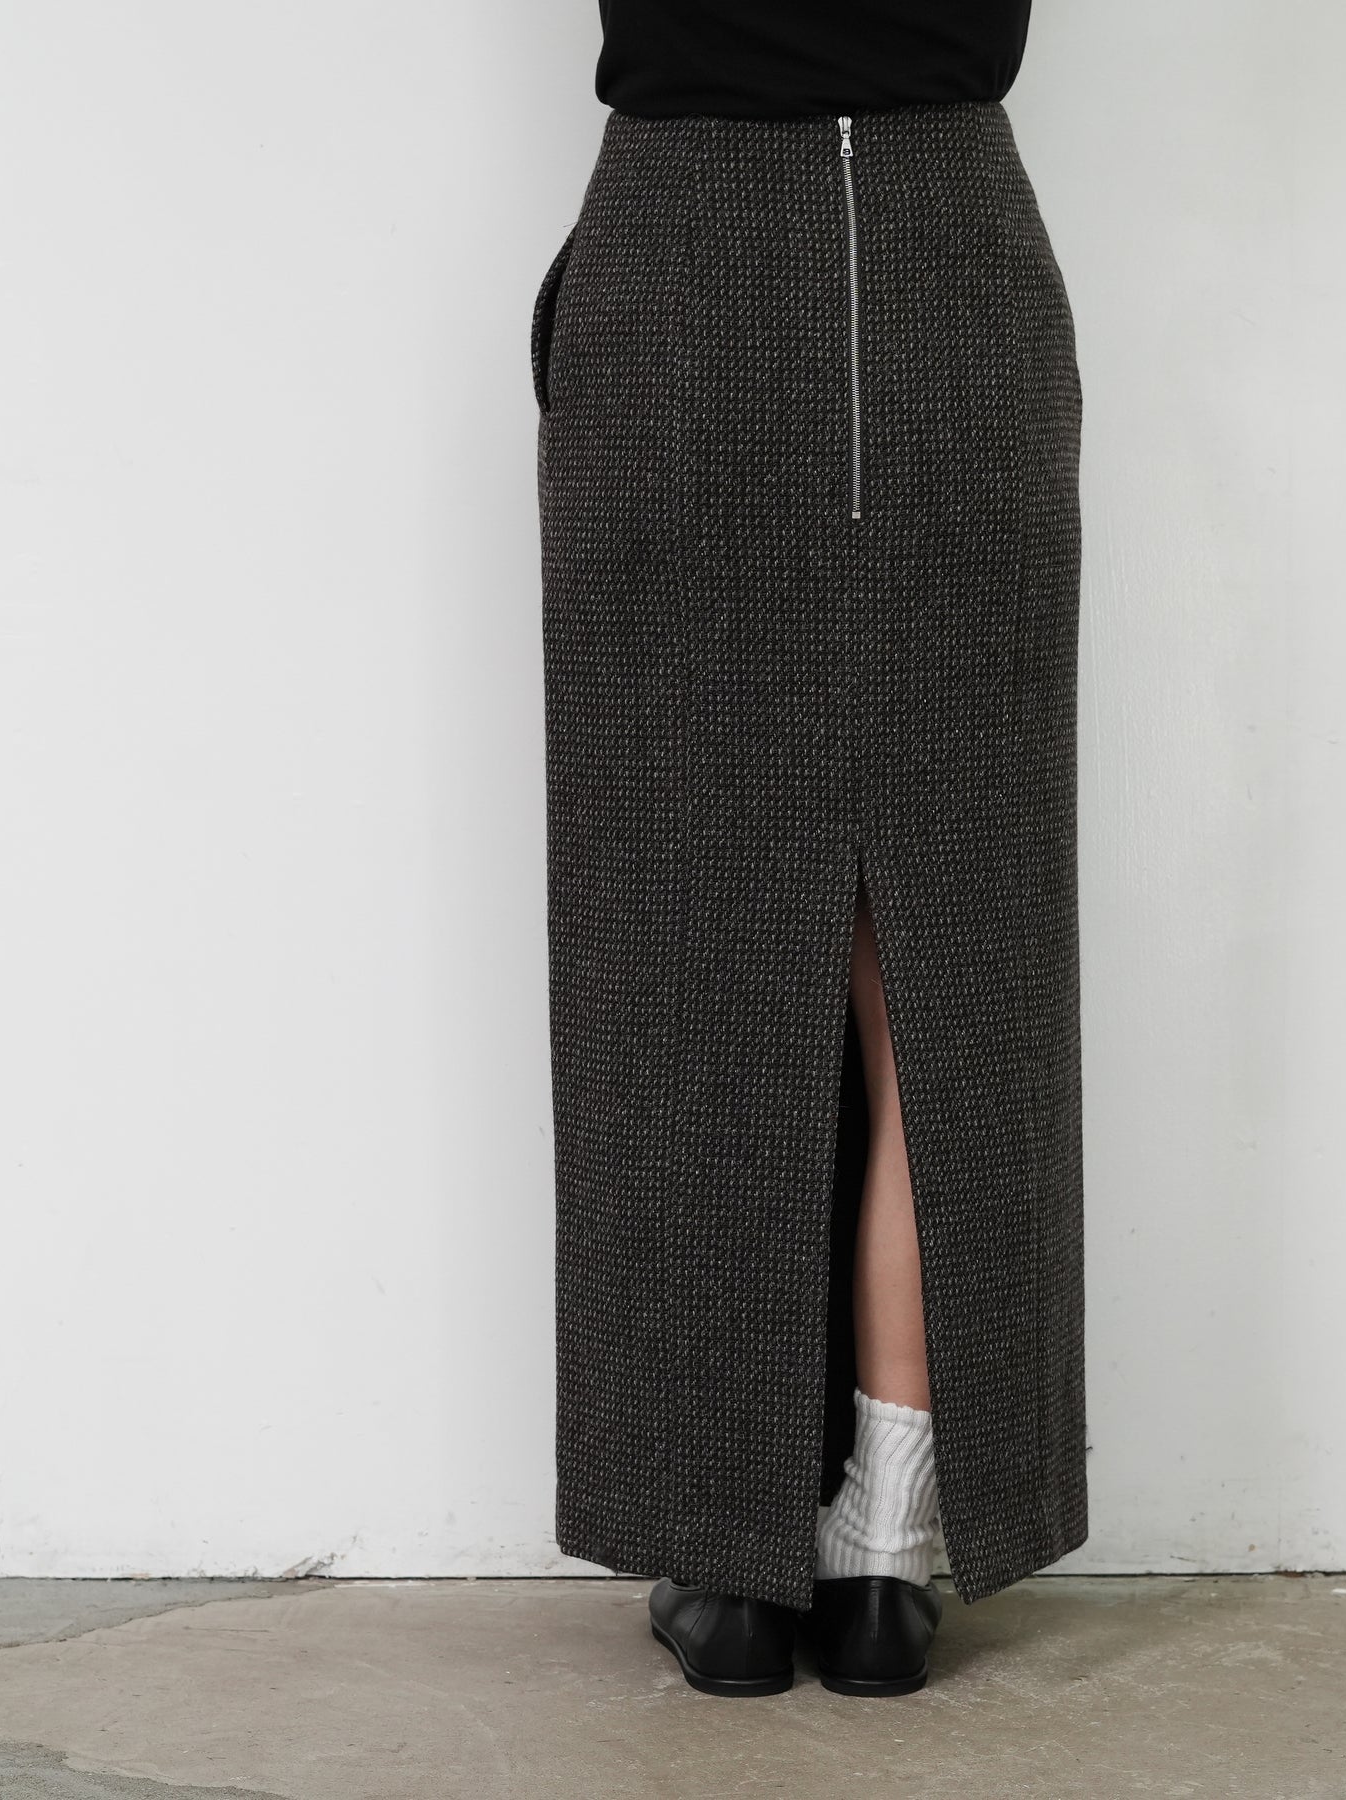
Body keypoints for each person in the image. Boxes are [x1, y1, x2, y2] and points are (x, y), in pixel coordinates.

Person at [531, 0, 1087, 1697]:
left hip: (681, 263)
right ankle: (885, 1546)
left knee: (680, 916)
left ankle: (727, 1560)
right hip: (950, 262)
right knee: (949, 948)